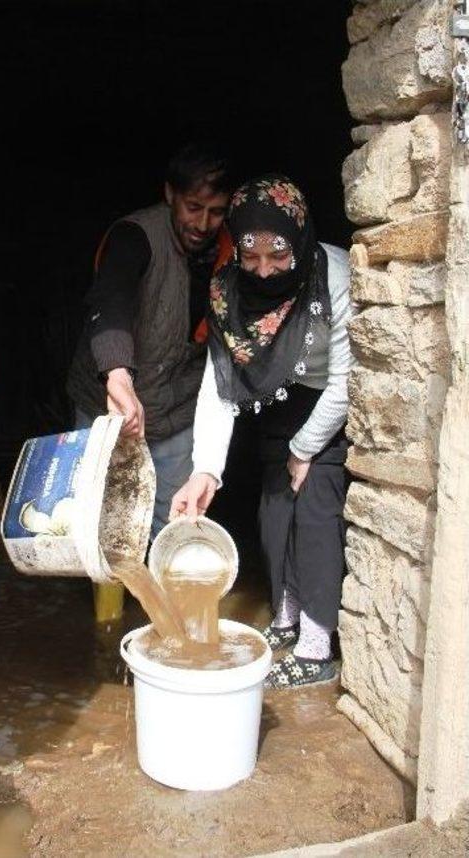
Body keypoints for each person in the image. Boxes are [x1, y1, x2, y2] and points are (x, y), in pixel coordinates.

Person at [170, 175, 353, 688]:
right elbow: (219, 384)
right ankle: (286, 621)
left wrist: (305, 449)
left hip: (327, 405)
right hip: (272, 402)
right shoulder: (228, 289)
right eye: (251, 257)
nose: (265, 270)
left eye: (278, 256)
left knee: (315, 513)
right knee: (275, 516)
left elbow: (345, 380)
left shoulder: (334, 275)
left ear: (297, 238)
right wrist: (205, 469)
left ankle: (317, 650)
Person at [67, 143, 232, 538]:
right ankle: (107, 603)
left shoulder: (232, 251)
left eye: (216, 212)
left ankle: (159, 602)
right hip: (109, 412)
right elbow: (111, 302)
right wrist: (117, 374)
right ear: (170, 194)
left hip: (176, 416)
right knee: (104, 529)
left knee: (173, 527)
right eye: (193, 207)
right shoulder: (135, 237)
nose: (204, 223)